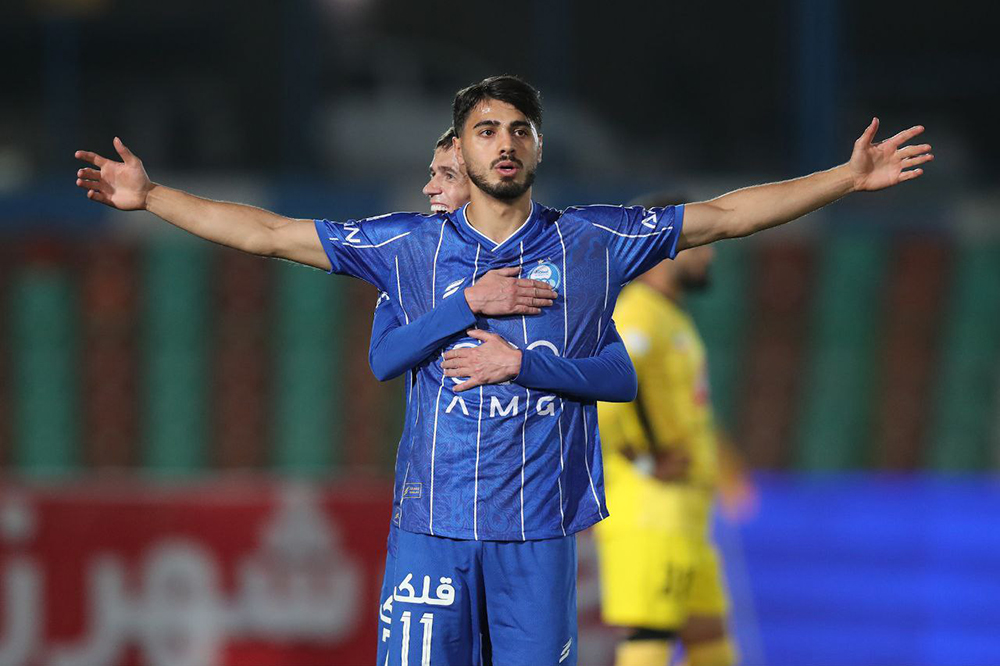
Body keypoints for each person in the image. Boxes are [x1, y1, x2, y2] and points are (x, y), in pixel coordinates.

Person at [75, 74, 931, 666]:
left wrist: (844, 179)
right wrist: (154, 198)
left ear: (539, 145)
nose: (505, 142)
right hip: (433, 527)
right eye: (487, 130)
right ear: (462, 148)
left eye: (519, 128)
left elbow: (725, 216)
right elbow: (269, 233)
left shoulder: (592, 241)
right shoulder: (408, 248)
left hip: (538, 536)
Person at [371, 128, 639, 665]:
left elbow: (620, 378)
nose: (429, 188)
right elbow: (383, 359)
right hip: (439, 514)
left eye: (446, 175)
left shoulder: (547, 275)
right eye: (432, 174)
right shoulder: (415, 266)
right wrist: (468, 302)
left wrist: (522, 364)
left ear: (481, 184)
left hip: (531, 517)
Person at [594, 196, 738, 666]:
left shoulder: (668, 314)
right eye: (701, 241)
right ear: (666, 246)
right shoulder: (637, 314)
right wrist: (644, 459)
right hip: (650, 506)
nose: (709, 253)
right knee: (650, 630)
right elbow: (605, 397)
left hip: (685, 509)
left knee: (707, 631)